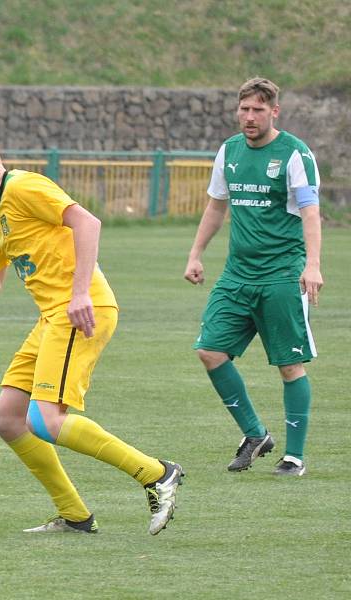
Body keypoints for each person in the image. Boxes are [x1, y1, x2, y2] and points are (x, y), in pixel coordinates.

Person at [0, 128, 183, 535]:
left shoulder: (23, 187)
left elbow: (87, 222)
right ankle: (75, 515)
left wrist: (81, 292)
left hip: (80, 312)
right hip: (53, 318)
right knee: (7, 418)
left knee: (46, 420)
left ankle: (156, 473)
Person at [184, 77, 322, 477]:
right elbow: (215, 207)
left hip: (281, 274)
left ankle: (294, 457)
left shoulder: (295, 154)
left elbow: (311, 212)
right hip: (237, 275)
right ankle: (256, 434)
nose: (249, 117)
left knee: (289, 365)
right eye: (244, 109)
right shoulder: (229, 151)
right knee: (210, 350)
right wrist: (196, 254)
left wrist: (312, 265)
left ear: (274, 111)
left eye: (258, 110)